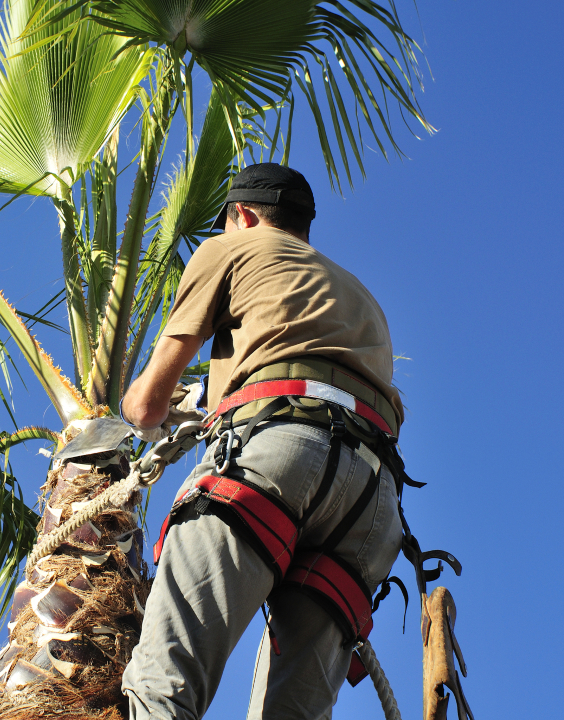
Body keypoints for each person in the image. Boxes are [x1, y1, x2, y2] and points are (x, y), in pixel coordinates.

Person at [119, 163, 405, 720]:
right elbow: (313, 373)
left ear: (242, 215)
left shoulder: (230, 249)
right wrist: (208, 395)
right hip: (371, 500)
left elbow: (146, 406)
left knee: (165, 688)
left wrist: (136, 409)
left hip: (274, 457)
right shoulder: (358, 295)